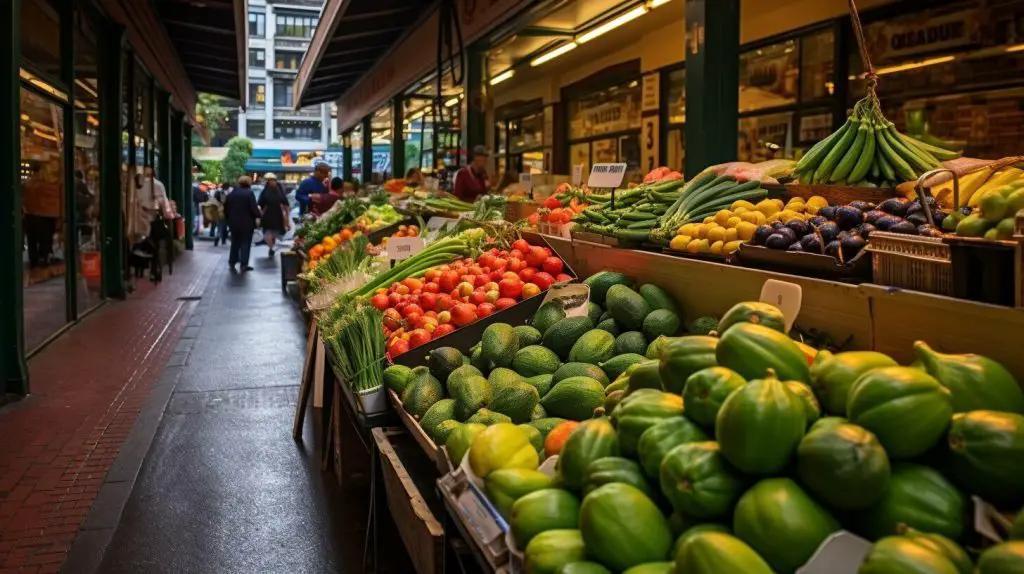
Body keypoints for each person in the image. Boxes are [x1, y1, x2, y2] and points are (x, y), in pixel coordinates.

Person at [22, 164, 62, 269]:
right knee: (45, 240)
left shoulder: (27, 184)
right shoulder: (47, 185)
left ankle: (33, 262)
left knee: (32, 241)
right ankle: (43, 260)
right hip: (45, 217)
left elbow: (23, 200)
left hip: (30, 216)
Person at [223, 176, 261, 272]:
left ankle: (232, 261)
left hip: (233, 223)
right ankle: (244, 264)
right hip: (247, 223)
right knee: (245, 243)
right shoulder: (249, 194)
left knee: (235, 242)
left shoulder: (231, 194)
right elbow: (254, 209)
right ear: (249, 183)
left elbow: (226, 209)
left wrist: (229, 220)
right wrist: (258, 216)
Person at [258, 173, 290, 257]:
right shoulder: (265, 191)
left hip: (278, 216)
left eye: (272, 181)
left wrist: (287, 217)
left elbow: (286, 204)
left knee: (274, 234)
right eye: (269, 181)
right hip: (267, 216)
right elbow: (261, 204)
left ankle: (271, 248)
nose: (271, 182)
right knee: (267, 234)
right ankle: (272, 248)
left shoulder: (279, 191)